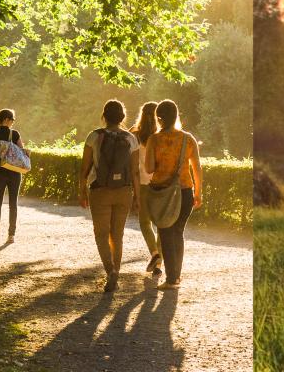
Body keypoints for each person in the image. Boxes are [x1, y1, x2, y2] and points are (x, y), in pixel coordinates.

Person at [79, 100, 141, 293]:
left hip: (100, 190)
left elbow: (84, 168)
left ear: (103, 116)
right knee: (118, 235)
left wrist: (82, 190)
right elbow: (135, 172)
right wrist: (137, 197)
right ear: (122, 117)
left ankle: (111, 271)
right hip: (124, 191)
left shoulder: (94, 136)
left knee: (101, 235)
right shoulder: (131, 139)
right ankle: (117, 270)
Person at [144, 100, 203, 290]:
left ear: (158, 118)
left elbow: (149, 168)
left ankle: (171, 280)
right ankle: (175, 277)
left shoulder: (154, 139)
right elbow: (197, 168)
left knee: (165, 232)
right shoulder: (188, 139)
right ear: (176, 115)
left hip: (162, 193)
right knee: (178, 232)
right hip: (185, 191)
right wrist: (198, 192)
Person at [130, 101, 163, 276]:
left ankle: (154, 253)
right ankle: (158, 264)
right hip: (160, 184)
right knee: (162, 225)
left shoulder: (133, 134)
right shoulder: (162, 135)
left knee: (145, 222)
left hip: (141, 184)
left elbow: (131, 163)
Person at [0, 109, 25, 243]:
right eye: (13, 120)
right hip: (14, 172)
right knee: (13, 204)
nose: (13, 122)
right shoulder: (14, 134)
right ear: (7, 119)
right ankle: (11, 235)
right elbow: (21, 151)